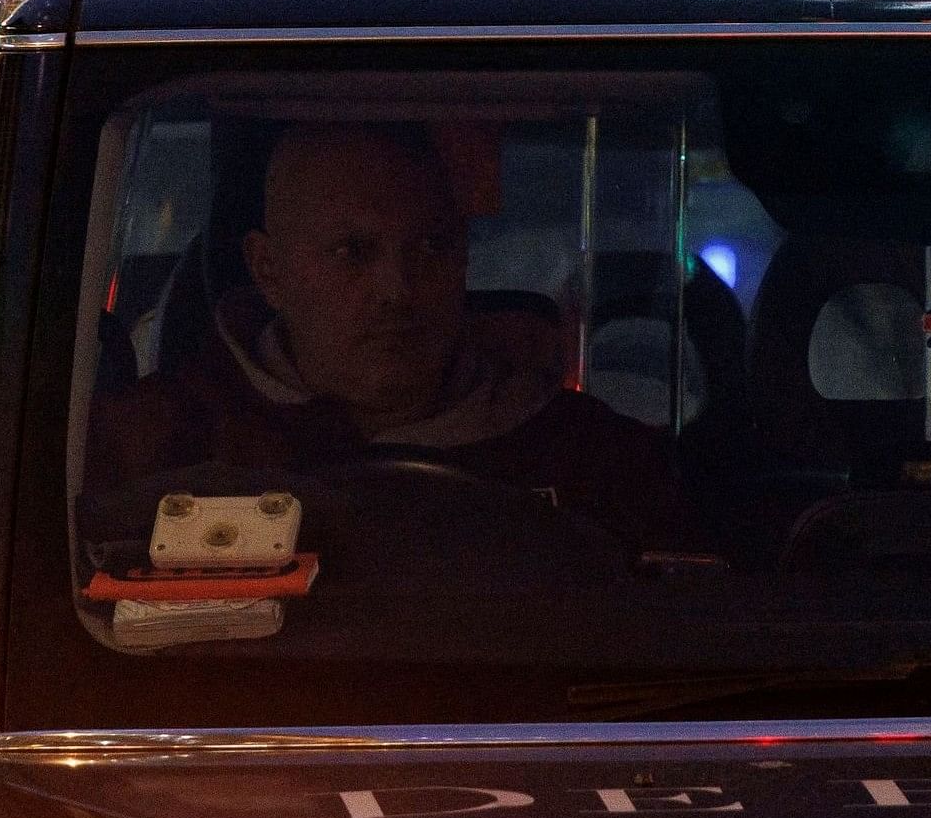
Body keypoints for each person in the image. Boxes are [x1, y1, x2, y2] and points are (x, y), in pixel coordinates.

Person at [87, 122, 697, 553]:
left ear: (463, 258)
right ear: (268, 270)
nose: (398, 289)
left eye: (431, 246)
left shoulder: (594, 461)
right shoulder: (154, 446)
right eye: (353, 252)